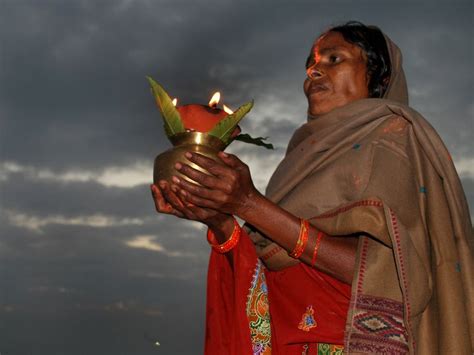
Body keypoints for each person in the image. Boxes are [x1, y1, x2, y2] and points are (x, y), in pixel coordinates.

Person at [150, 22, 473, 354]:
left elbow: (396, 275)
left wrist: (249, 204)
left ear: (380, 78)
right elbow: (274, 265)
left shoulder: (393, 139)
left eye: (334, 59)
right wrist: (219, 220)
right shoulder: (300, 157)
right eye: (311, 64)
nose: (314, 71)